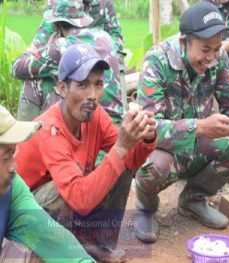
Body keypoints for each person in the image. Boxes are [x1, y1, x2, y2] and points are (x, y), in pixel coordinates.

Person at [15, 43, 157, 262]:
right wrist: (121, 146)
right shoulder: (49, 131)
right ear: (62, 88)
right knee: (63, 189)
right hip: (26, 215)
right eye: (82, 85)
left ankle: (95, 244)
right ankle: (65, 250)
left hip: (66, 205)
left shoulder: (94, 115)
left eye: (98, 84)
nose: (93, 95)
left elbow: (131, 162)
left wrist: (144, 137)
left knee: (120, 165)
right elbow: (79, 199)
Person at [134, 2, 229, 243]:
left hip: (197, 146)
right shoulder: (157, 61)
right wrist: (200, 127)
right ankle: (146, 207)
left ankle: (193, 198)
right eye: (205, 50)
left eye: (216, 49)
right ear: (184, 42)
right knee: (153, 165)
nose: (212, 58)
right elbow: (148, 130)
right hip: (164, 150)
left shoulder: (219, 56)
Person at [0, 105, 96, 262]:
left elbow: (48, 236)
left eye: (13, 152)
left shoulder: (12, 189)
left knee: (34, 253)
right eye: (6, 156)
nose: (14, 166)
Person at [12, 0, 123, 125]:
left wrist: (42, 50)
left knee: (33, 79)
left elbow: (16, 68)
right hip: (115, 122)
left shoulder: (61, 47)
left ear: (57, 24)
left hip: (90, 122)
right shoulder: (105, 38)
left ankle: (24, 138)